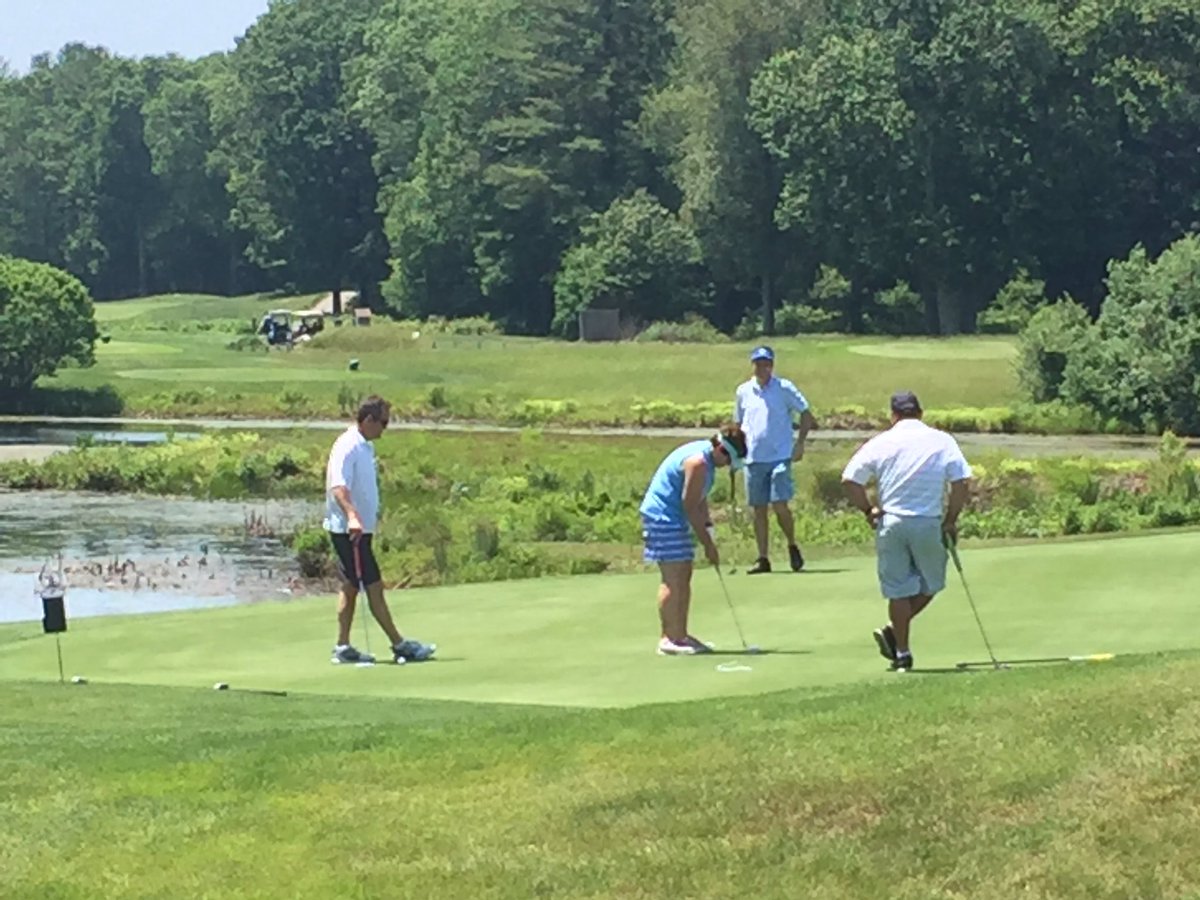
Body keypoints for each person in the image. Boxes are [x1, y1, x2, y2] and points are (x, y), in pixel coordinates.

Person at [840, 391, 972, 671]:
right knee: (932, 583)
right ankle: (894, 632)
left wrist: (868, 509)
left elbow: (850, 480)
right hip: (927, 522)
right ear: (920, 413)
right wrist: (950, 519)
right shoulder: (942, 440)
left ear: (893, 415)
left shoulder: (882, 441)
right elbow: (961, 482)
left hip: (892, 523)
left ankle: (902, 651)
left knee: (898, 591)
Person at [324, 395, 436, 665]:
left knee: (351, 586)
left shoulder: (364, 445)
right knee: (373, 585)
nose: (385, 428)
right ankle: (399, 644)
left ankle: (342, 646)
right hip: (349, 531)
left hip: (359, 530)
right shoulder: (348, 445)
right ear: (369, 420)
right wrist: (352, 516)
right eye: (383, 423)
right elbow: (338, 487)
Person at [640, 423, 748, 655]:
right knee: (673, 575)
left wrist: (709, 530)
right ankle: (668, 639)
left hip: (674, 517)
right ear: (722, 451)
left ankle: (680, 635)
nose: (727, 466)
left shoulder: (707, 460)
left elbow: (699, 501)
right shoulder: (698, 463)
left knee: (684, 573)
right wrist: (708, 545)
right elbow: (689, 506)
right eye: (729, 461)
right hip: (662, 518)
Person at [733, 345, 817, 574]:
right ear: (753, 365)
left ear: (772, 365)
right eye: (758, 364)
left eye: (766, 363)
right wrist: (735, 455)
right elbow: (739, 425)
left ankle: (791, 544)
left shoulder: (784, 388)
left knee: (780, 504)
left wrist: (799, 444)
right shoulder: (744, 391)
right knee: (758, 509)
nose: (762, 368)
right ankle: (763, 558)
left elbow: (806, 414)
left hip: (780, 456)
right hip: (753, 458)